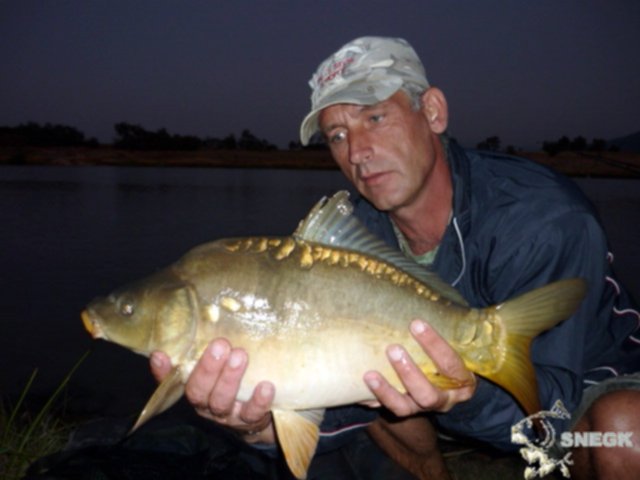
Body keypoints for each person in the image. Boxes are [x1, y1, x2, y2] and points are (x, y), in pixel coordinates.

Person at [151, 37, 640, 479]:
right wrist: (256, 422)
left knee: (625, 434)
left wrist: (463, 397)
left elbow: (548, 419)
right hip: (451, 394)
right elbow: (327, 380)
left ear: (433, 112)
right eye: (337, 135)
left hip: (583, 389)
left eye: (374, 118)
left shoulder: (542, 220)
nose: (356, 152)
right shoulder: (352, 232)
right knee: (376, 382)